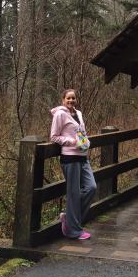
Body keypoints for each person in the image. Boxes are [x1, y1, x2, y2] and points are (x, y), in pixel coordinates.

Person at [50, 89, 96, 240]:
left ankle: (69, 218)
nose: (71, 100)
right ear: (63, 100)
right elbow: (54, 137)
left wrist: (85, 141)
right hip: (69, 157)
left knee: (91, 188)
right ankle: (73, 231)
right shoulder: (60, 114)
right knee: (73, 193)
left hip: (83, 156)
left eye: (73, 98)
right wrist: (72, 142)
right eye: (68, 98)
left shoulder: (79, 113)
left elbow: (81, 132)